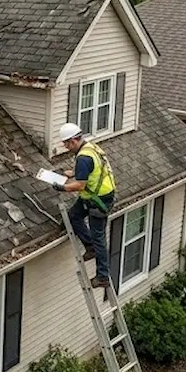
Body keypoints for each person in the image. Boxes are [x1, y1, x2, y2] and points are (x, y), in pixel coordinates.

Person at [52, 123, 116, 289]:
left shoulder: (83, 158)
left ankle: (103, 276)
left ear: (73, 141)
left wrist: (63, 187)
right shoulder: (90, 148)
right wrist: (73, 173)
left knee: (98, 237)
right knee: (74, 216)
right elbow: (93, 168)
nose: (66, 147)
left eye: (66, 144)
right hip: (95, 195)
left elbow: (80, 185)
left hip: (98, 200)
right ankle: (89, 246)